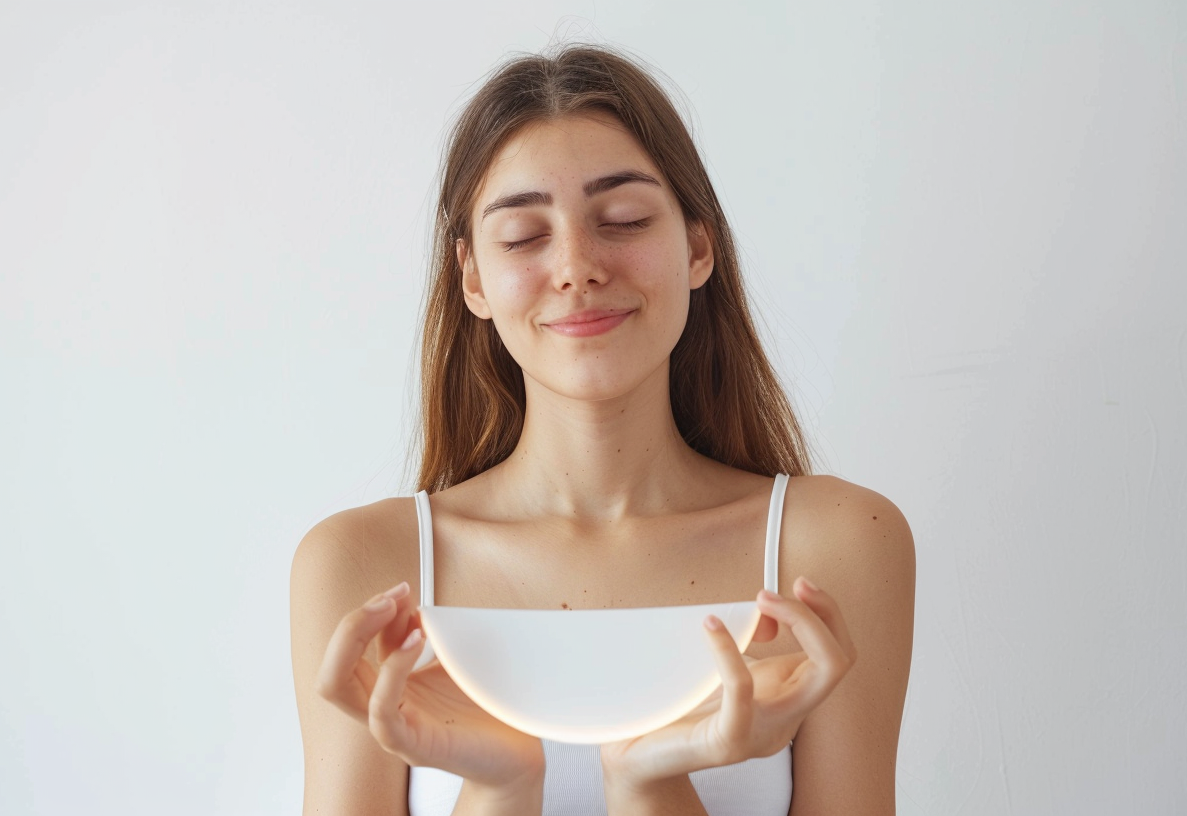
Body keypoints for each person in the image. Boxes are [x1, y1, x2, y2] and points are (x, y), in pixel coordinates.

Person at [289, 43, 915, 815]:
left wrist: (650, 781)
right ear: (474, 280)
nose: (578, 265)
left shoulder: (834, 545)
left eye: (621, 219)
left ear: (696, 245)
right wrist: (500, 783)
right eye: (523, 236)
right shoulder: (362, 567)